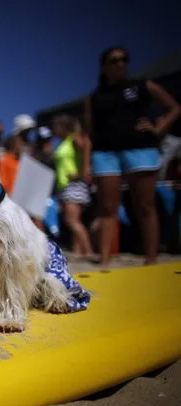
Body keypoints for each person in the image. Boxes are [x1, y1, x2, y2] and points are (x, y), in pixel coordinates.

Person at [84, 47, 180, 267]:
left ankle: (151, 259)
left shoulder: (142, 85)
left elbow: (174, 108)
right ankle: (105, 260)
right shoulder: (94, 97)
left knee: (144, 205)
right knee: (107, 208)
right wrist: (88, 162)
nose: (120, 64)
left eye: (124, 60)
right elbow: (89, 131)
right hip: (106, 152)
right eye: (114, 60)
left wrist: (159, 127)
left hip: (140, 149)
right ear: (104, 65)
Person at [52, 115, 95, 261]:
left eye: (56, 127)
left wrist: (82, 173)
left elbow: (86, 149)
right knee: (74, 220)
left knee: (72, 221)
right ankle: (78, 251)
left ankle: (88, 251)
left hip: (74, 185)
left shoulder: (74, 138)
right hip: (66, 186)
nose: (54, 130)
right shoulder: (64, 142)